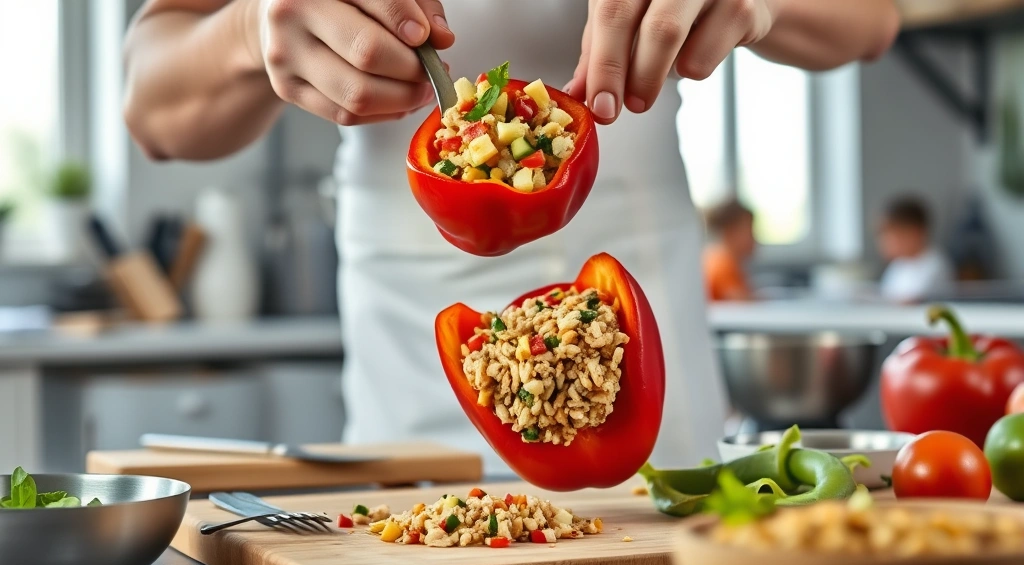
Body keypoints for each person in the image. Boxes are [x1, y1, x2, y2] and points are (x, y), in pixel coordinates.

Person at [122, 0, 900, 475]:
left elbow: (873, 19)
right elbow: (149, 103)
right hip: (413, 368)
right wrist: (248, 27)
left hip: (650, 326)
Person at [877, 195, 954, 304]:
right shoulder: (897, 265)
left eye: (891, 235)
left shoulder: (935, 265)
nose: (885, 242)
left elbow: (913, 302)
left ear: (914, 233)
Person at [702, 198, 756, 302]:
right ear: (730, 231)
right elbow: (744, 305)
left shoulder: (716, 256)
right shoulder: (722, 265)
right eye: (750, 231)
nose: (754, 238)